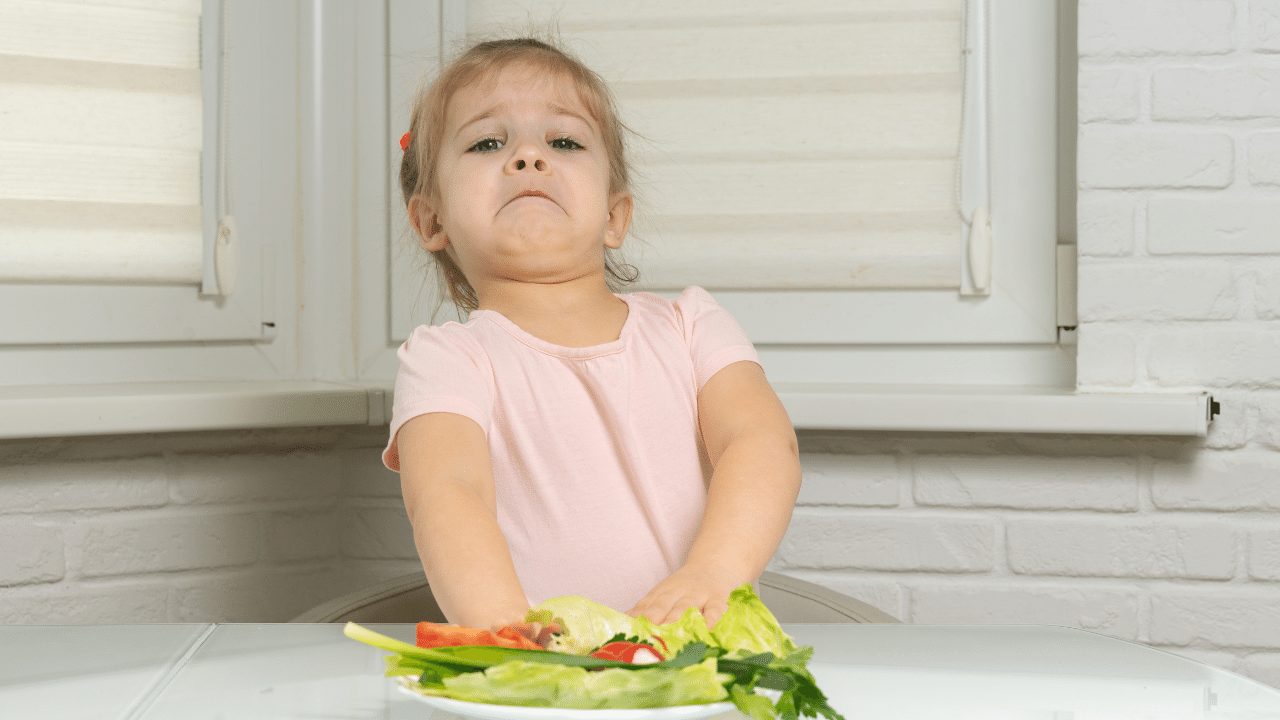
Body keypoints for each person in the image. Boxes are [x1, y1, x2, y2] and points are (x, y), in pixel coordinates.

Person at [382, 34, 801, 637]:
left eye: (564, 141)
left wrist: (714, 573)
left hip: (699, 662)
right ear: (431, 219)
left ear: (614, 215)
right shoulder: (447, 360)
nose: (528, 158)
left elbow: (761, 445)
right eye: (487, 142)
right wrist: (508, 631)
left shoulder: (692, 326)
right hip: (547, 678)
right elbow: (449, 494)